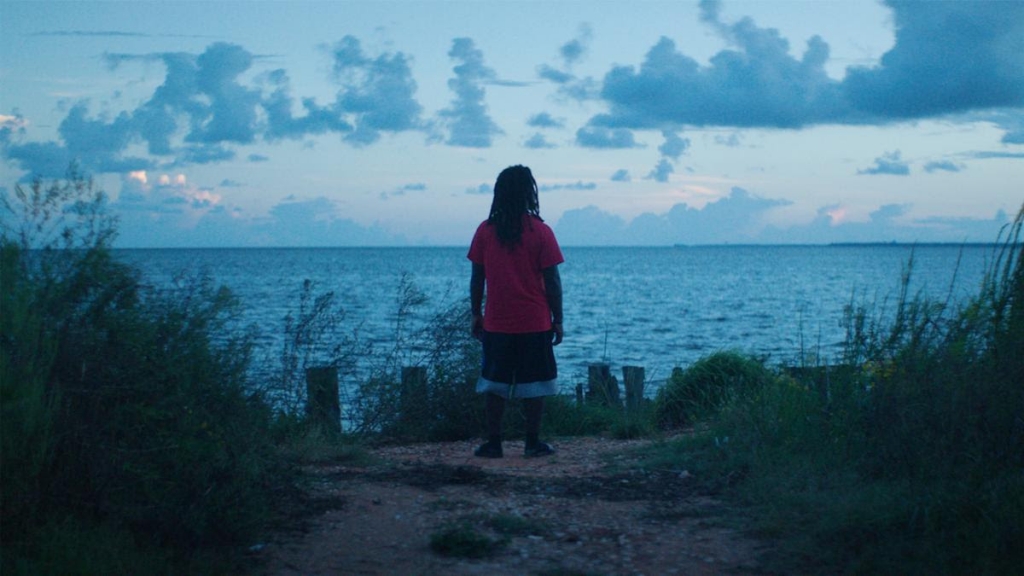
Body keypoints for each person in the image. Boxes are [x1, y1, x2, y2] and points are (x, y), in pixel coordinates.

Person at [468, 164, 564, 459]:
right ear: (528, 193)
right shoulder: (542, 232)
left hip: (497, 323)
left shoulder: (485, 231)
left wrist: (476, 313)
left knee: (494, 385)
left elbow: (477, 278)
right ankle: (532, 443)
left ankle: (494, 443)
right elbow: (552, 280)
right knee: (535, 384)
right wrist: (558, 319)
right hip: (534, 322)